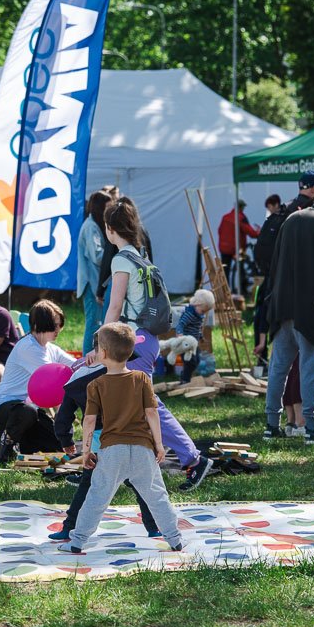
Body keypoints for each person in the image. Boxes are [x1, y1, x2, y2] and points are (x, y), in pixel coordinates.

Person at [102, 198, 213, 490]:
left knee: (148, 405)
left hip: (132, 341)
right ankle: (136, 467)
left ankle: (192, 458)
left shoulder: (121, 259)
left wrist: (100, 342)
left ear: (110, 229)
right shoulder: (141, 256)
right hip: (146, 339)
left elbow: (115, 307)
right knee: (135, 405)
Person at [57, 322, 184, 555]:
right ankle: (175, 539)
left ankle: (78, 542)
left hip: (111, 451)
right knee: (157, 496)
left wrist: (86, 452)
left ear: (102, 353)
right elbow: (152, 413)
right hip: (143, 450)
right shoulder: (142, 379)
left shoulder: (95, 385)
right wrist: (159, 445)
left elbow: (89, 421)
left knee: (96, 498)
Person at [261, 176, 314, 444]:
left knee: (278, 368)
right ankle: (311, 428)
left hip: (281, 306)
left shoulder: (292, 219)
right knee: (312, 368)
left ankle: (270, 425)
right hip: (310, 309)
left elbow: (276, 263)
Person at [49, 334, 162, 541]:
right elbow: (148, 412)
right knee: (143, 483)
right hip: (132, 438)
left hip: (98, 441)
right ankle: (154, 526)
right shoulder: (130, 376)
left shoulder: (77, 379)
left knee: (89, 485)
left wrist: (66, 441)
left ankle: (69, 527)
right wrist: (156, 442)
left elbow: (63, 417)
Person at [0, 299, 74, 458]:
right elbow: (54, 378)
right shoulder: (28, 347)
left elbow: (74, 365)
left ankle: (20, 441)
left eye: (59, 324)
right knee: (27, 412)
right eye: (54, 325)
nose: (58, 329)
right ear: (38, 324)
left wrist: (92, 362)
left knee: (56, 447)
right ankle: (5, 443)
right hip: (7, 406)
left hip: (31, 409)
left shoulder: (50, 348)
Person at [77, 190, 111, 354]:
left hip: (94, 281)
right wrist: (115, 253)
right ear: (100, 208)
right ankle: (86, 361)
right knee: (93, 324)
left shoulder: (94, 225)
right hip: (91, 283)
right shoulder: (91, 227)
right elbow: (97, 256)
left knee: (96, 323)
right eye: (107, 207)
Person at [218, 199, 260, 294]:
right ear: (242, 207)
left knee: (225, 271)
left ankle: (225, 293)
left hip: (224, 248)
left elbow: (219, 230)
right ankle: (242, 290)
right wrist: (258, 233)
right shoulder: (241, 217)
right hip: (235, 249)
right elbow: (250, 232)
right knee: (241, 269)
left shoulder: (225, 217)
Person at [174, 289, 214, 383]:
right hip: (186, 344)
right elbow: (180, 324)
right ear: (197, 304)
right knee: (190, 362)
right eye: (203, 310)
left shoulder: (198, 315)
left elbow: (197, 328)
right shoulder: (189, 314)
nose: (203, 313)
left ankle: (187, 377)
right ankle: (184, 380)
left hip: (194, 344)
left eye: (205, 311)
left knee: (196, 360)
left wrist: (201, 337)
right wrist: (179, 334)